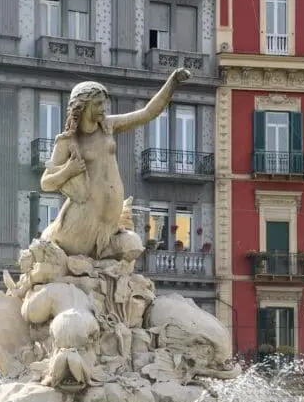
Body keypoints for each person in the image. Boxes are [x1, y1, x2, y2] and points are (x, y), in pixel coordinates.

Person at [39, 68, 191, 261]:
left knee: (133, 246)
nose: (104, 108)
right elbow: (46, 183)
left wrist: (172, 83)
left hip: (109, 224)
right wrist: (68, 171)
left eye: (104, 103)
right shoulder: (68, 141)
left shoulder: (108, 126)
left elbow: (147, 113)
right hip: (82, 222)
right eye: (98, 104)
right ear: (82, 107)